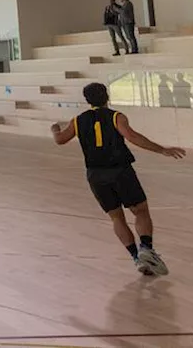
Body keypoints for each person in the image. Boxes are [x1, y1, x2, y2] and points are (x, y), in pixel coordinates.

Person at [50, 82, 184, 276]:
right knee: (140, 210)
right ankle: (146, 248)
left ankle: (137, 258)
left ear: (87, 100)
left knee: (116, 217)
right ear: (107, 96)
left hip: (95, 175)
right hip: (120, 171)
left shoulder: (78, 120)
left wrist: (55, 129)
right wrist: (162, 150)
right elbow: (132, 137)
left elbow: (60, 139)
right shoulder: (116, 116)